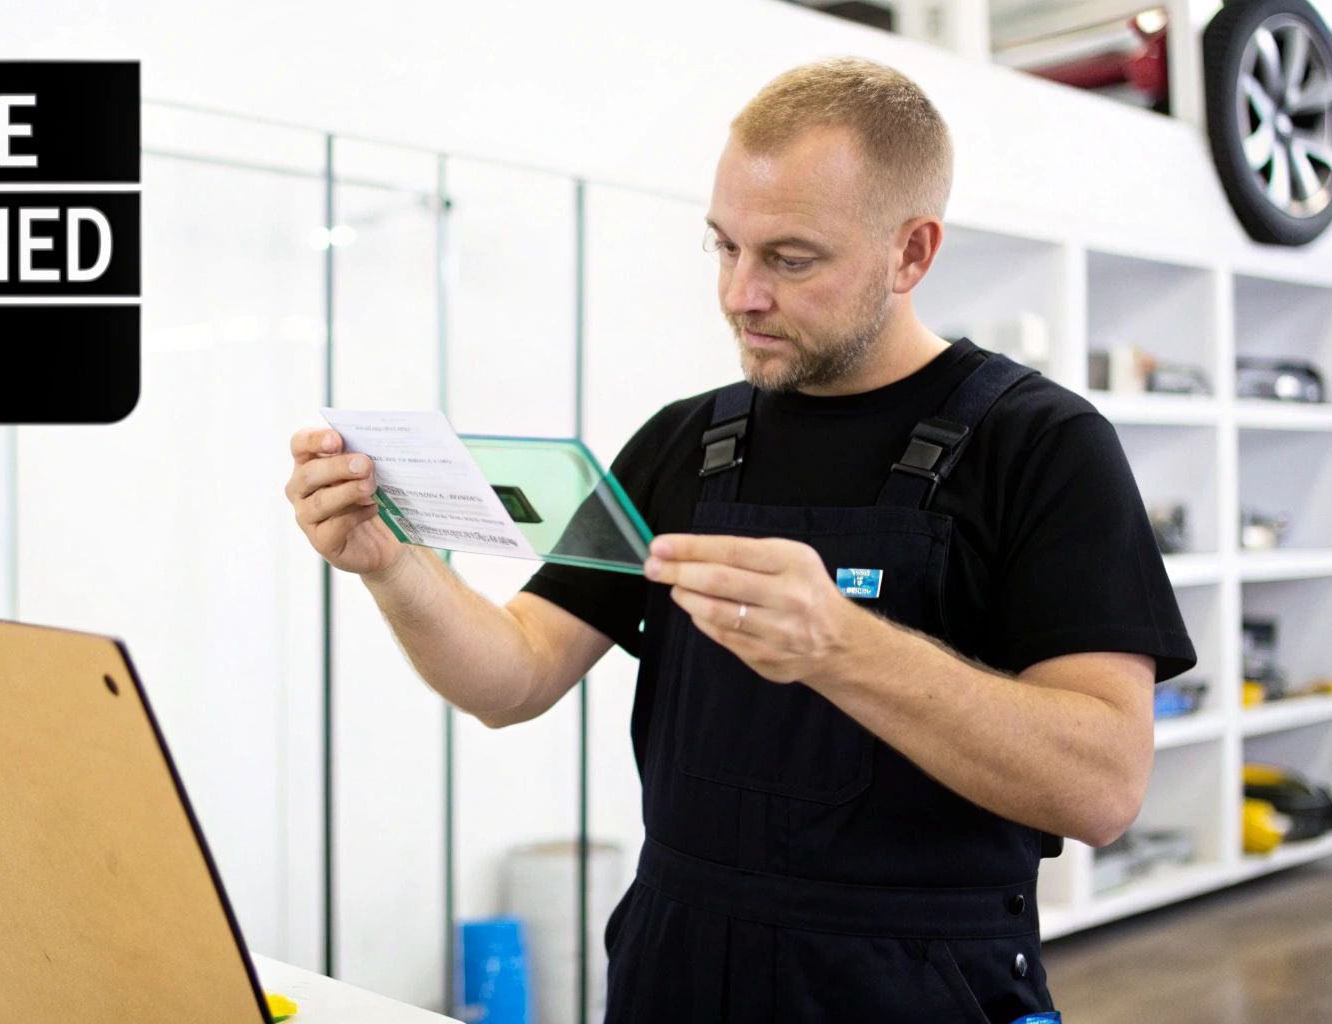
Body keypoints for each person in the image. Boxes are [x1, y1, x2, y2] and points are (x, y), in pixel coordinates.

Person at [284, 56, 1195, 1023]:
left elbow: (1103, 786)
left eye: (790, 259)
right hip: (677, 971)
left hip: (917, 987)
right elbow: (513, 675)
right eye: (724, 248)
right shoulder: (686, 443)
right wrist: (396, 570)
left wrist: (843, 646)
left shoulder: (1040, 446)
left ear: (912, 253)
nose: (740, 295)